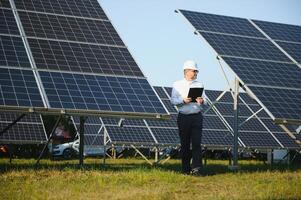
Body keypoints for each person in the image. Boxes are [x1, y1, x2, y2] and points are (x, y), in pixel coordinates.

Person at [171, 60, 206, 176]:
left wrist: (202, 101)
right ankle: (185, 169)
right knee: (185, 144)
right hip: (183, 117)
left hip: (197, 117)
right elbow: (173, 101)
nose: (196, 73)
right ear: (186, 71)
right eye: (194, 71)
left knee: (196, 144)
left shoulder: (199, 84)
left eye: (196, 71)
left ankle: (196, 169)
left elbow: (206, 101)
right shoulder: (177, 84)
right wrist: (183, 101)